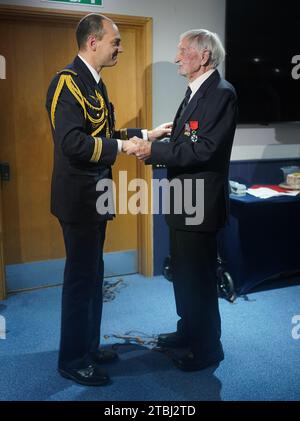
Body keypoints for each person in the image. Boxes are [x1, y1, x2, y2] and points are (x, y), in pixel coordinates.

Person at [46, 13, 171, 386]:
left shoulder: (95, 84)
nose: (120, 47)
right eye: (115, 41)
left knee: (94, 274)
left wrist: (146, 133)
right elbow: (72, 143)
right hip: (78, 197)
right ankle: (72, 358)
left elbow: (105, 132)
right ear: (93, 42)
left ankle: (89, 345)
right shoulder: (65, 83)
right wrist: (121, 146)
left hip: (96, 194)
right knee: (81, 278)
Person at [127, 29, 238, 371]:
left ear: (203, 56)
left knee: (199, 280)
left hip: (199, 205)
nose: (176, 57)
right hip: (182, 201)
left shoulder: (221, 93)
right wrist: (158, 142)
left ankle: (207, 349)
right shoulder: (196, 92)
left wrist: (152, 149)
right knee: (184, 275)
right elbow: (187, 140)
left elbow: (204, 148)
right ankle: (188, 331)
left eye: (182, 51)